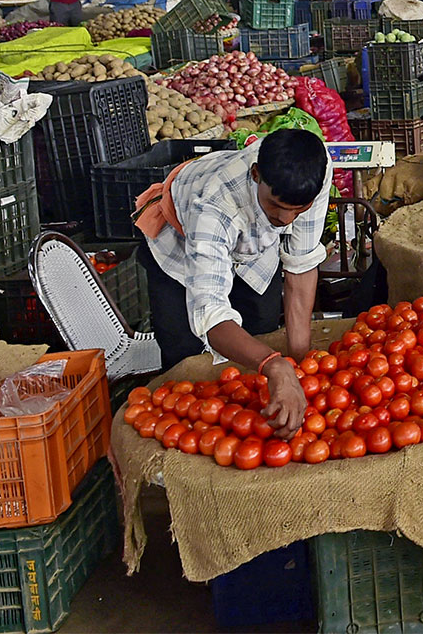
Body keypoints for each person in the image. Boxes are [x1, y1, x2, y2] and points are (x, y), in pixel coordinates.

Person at [133, 128, 331, 434]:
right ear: (256, 175)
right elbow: (211, 315)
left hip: (254, 249)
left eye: (299, 210)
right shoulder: (214, 207)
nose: (287, 220)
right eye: (276, 206)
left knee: (260, 327)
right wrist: (274, 365)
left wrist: (301, 367)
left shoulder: (314, 171)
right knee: (183, 354)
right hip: (184, 246)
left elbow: (301, 264)